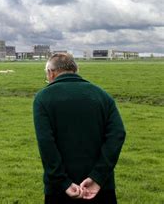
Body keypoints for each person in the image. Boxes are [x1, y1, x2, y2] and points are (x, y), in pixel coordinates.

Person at [33, 53, 126, 203]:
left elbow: (46, 143)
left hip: (60, 189)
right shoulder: (103, 95)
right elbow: (117, 135)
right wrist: (98, 176)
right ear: (76, 69)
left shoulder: (43, 98)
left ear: (51, 73)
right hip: (100, 187)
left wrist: (63, 181)